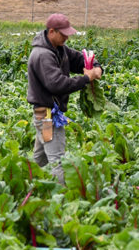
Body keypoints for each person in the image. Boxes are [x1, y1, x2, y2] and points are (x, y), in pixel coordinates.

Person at [27, 13, 103, 184]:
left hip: (46, 114)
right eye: (63, 34)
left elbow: (78, 60)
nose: (67, 37)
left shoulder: (59, 49)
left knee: (40, 158)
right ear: (51, 31)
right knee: (58, 160)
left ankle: (25, 184)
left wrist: (95, 67)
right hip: (47, 116)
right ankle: (63, 200)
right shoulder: (42, 55)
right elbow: (57, 84)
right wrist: (86, 79)